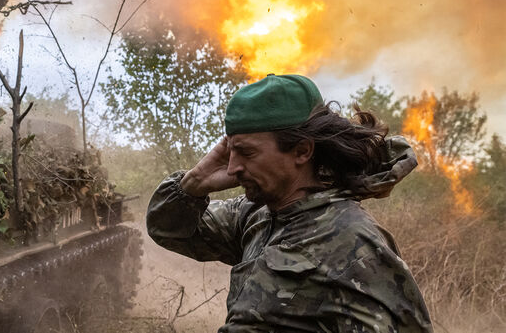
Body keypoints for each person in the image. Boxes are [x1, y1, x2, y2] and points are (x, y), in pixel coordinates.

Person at [146, 74, 433, 332]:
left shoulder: (353, 243)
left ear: (302, 151)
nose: (232, 168)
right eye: (230, 152)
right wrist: (194, 184)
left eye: (246, 153)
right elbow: (167, 230)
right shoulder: (254, 216)